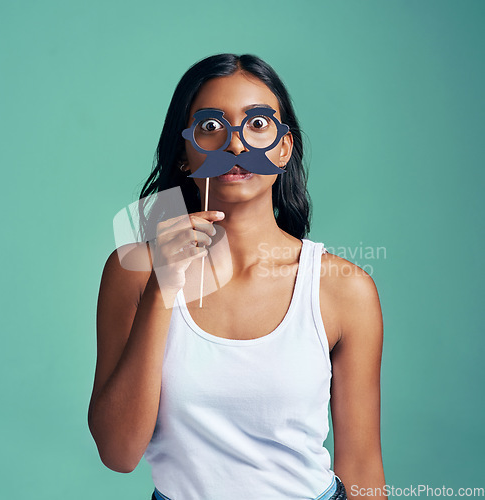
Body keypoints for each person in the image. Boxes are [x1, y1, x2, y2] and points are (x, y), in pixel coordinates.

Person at [88, 53, 387, 500]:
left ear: (284, 149)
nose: (237, 146)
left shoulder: (344, 289)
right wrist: (162, 289)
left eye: (258, 124)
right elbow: (118, 453)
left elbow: (362, 466)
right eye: (211, 127)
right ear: (186, 153)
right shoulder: (134, 271)